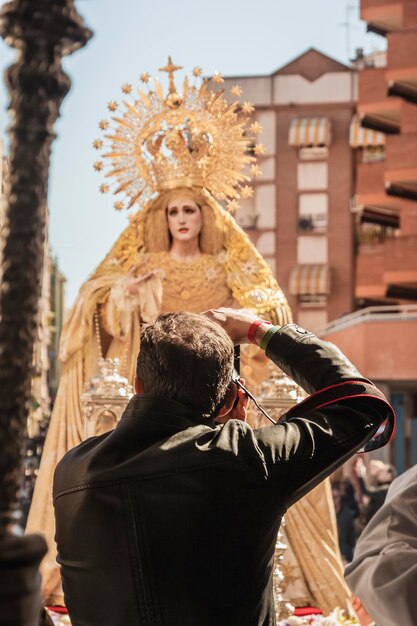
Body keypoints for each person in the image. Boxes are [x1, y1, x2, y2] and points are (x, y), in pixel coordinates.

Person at [28, 61, 352, 611]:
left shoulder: (80, 473)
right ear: (163, 215)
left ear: (205, 215)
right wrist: (126, 296)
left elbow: (269, 299)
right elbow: (94, 314)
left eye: (190, 210)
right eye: (173, 210)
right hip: (171, 401)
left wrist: (247, 317)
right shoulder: (250, 464)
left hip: (209, 401)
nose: (182, 219)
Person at [53, 308, 393, 626]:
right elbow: (360, 403)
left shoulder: (72, 469)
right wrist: (257, 330)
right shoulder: (244, 459)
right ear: (232, 399)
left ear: (138, 386)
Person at [345, 463, 417, 626]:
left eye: (382, 471)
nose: (377, 473)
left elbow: (386, 577)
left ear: (389, 475)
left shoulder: (389, 488)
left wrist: (361, 476)